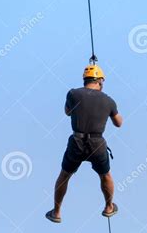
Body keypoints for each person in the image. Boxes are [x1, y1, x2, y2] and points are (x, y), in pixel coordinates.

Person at [46, 62, 123, 223]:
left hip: (77, 141)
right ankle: (109, 206)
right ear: (100, 81)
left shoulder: (73, 94)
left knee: (65, 175)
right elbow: (118, 123)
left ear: (85, 80)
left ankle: (57, 212)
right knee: (105, 175)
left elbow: (67, 112)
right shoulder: (108, 100)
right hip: (97, 143)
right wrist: (110, 110)